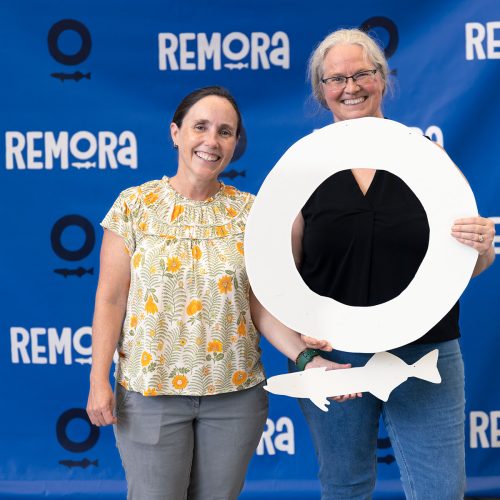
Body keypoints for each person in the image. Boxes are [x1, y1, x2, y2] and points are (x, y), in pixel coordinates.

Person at [86, 85, 331, 500]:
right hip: (151, 395)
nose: (211, 141)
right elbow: (110, 300)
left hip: (235, 399)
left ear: (235, 143)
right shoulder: (133, 206)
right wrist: (97, 379)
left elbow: (260, 307)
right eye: (200, 127)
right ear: (176, 133)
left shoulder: (252, 214)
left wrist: (305, 358)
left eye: (225, 132)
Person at [285, 29, 495, 499]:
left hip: (428, 348)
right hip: (335, 357)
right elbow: (280, 272)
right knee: (345, 488)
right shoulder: (300, 169)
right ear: (321, 91)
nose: (350, 86)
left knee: (440, 491)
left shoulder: (427, 157)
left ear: (383, 79)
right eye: (336, 78)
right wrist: (302, 342)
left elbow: (469, 260)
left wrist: (483, 247)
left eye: (362, 73)